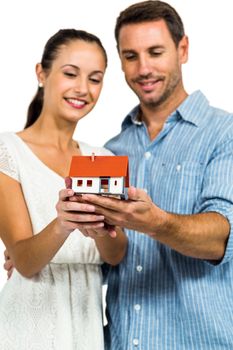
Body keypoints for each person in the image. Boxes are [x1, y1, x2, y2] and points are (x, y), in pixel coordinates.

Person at [67, 1, 233, 349]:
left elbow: (220, 239)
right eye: (130, 56)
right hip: (124, 341)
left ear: (182, 49)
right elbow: (107, 262)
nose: (143, 68)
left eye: (155, 52)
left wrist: (153, 221)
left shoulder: (224, 132)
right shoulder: (110, 150)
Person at [0, 28, 127, 350]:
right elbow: (25, 261)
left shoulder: (102, 158)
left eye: (95, 78)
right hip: (29, 323)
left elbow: (115, 255)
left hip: (85, 324)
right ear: (41, 73)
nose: (83, 89)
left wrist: (103, 225)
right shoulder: (7, 151)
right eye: (70, 73)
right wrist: (63, 223)